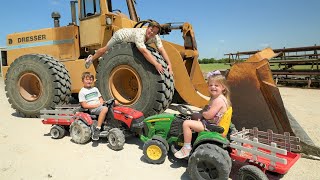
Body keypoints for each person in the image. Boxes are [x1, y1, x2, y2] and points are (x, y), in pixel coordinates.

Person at [174, 71, 232, 159]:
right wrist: (201, 113)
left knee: (186, 123)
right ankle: (191, 135)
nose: (213, 87)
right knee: (194, 115)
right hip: (213, 122)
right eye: (211, 85)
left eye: (216, 85)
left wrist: (203, 113)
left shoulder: (218, 100)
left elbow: (208, 116)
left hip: (211, 126)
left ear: (223, 87)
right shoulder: (218, 98)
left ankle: (186, 147)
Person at [85, 21, 173, 75]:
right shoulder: (139, 34)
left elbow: (162, 50)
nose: (152, 33)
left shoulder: (155, 37)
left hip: (129, 40)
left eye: (154, 32)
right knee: (106, 49)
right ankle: (91, 58)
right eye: (151, 29)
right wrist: (156, 64)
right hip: (120, 36)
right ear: (148, 28)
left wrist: (169, 64)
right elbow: (144, 52)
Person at [78, 72, 108, 141]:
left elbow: (100, 98)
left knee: (114, 103)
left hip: (99, 105)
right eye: (87, 79)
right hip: (92, 108)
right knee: (105, 109)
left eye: (91, 79)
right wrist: (97, 105)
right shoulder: (82, 92)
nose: (89, 81)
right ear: (83, 80)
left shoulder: (95, 89)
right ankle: (98, 128)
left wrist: (101, 102)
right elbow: (84, 105)